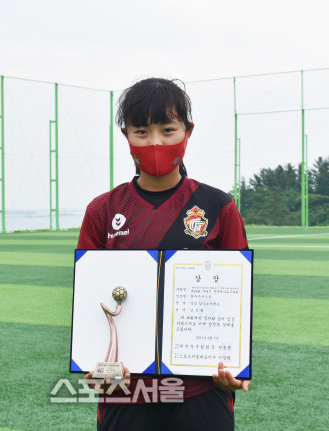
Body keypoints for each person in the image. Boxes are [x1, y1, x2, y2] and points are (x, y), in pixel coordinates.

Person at [77, 78, 250, 431]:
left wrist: (235, 364)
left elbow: (238, 295)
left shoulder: (218, 206)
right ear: (127, 135)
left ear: (188, 131)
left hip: (201, 387)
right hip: (125, 387)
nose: (155, 142)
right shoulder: (103, 210)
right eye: (142, 131)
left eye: (168, 129)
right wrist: (95, 368)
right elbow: (89, 301)